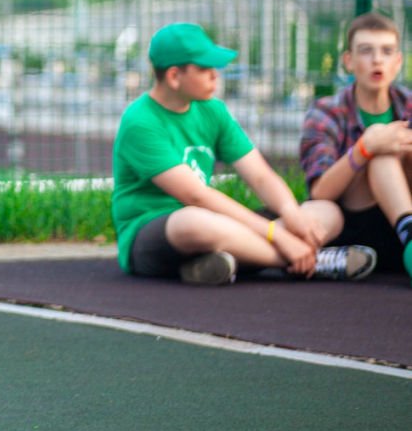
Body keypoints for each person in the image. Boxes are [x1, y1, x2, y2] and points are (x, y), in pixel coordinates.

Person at [111, 21, 376, 285]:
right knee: (195, 222)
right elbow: (195, 196)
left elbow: (260, 176)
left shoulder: (212, 110)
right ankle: (313, 261)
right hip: (154, 234)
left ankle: (220, 261)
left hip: (218, 225)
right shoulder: (141, 122)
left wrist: (291, 214)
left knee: (327, 212)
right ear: (173, 76)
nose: (215, 75)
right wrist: (277, 235)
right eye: (204, 69)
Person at [299, 11, 412, 282]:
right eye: (366, 51)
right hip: (354, 223)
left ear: (398, 61)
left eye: (386, 51)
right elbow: (320, 191)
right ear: (348, 61)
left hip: (399, 216)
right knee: (380, 151)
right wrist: (364, 148)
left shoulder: (407, 104)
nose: (377, 60)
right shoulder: (325, 112)